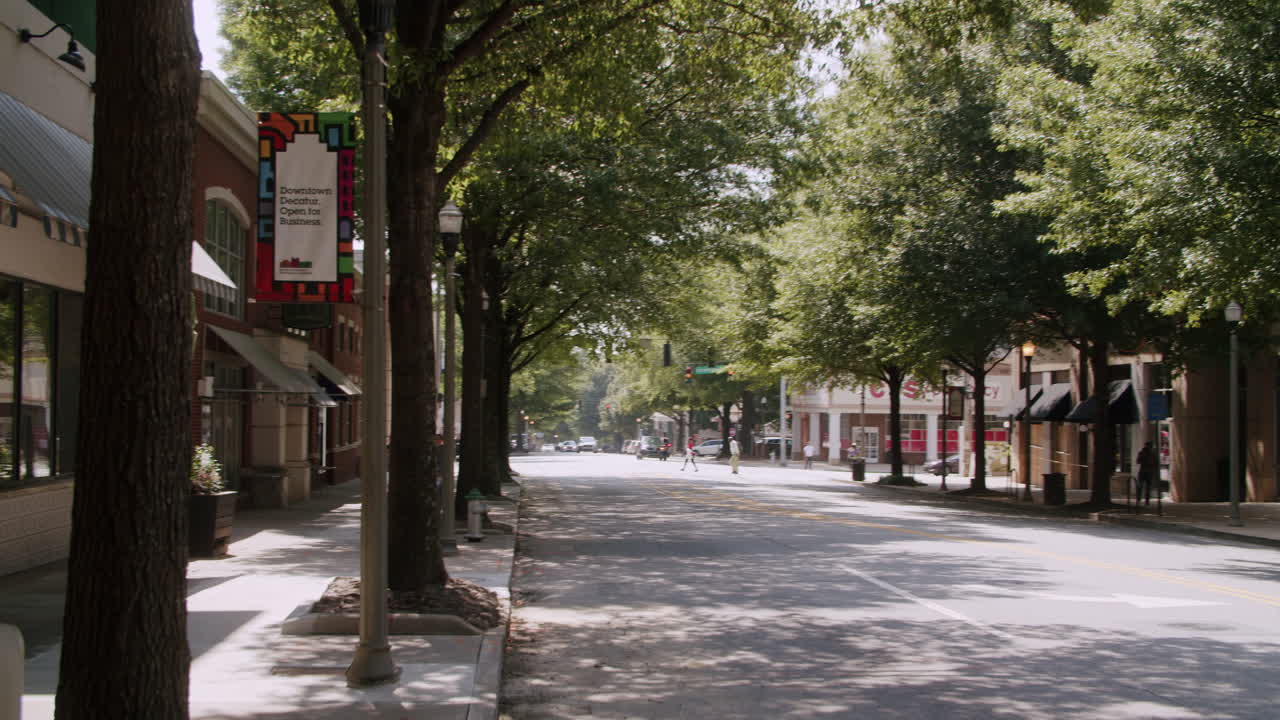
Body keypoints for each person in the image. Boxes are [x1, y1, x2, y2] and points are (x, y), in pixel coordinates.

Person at [1136, 441, 1158, 506]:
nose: (1149, 447)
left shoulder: (1152, 454)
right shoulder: (1143, 453)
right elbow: (1138, 461)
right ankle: (1140, 499)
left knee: (1146, 487)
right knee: (1142, 486)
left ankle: (1145, 501)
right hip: (1144, 472)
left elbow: (1156, 463)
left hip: (1147, 472)